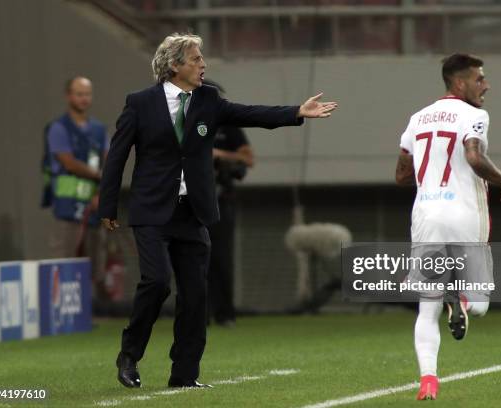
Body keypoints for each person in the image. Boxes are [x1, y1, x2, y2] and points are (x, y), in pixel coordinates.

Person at [98, 33, 337, 389]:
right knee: (158, 281)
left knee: (196, 296)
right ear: (174, 65)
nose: (203, 64)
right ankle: (129, 355)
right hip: (152, 211)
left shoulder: (208, 98)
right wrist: (108, 204)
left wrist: (296, 113)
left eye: (202, 58)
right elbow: (117, 156)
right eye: (196, 59)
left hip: (193, 213)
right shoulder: (139, 103)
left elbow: (249, 113)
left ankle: (184, 375)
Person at [394, 53, 501, 400]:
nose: (486, 85)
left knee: (426, 306)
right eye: (480, 79)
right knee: (479, 304)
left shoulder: (417, 118)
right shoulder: (474, 115)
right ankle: (461, 297)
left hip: (426, 216)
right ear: (460, 82)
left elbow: (402, 174)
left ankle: (428, 382)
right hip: (463, 214)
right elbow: (475, 157)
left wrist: (429, 168)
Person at [45, 76, 108, 280]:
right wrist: (98, 175)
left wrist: (103, 191)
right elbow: (69, 162)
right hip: (67, 205)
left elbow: (109, 160)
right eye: (79, 94)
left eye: (87, 94)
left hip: (94, 205)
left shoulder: (99, 130)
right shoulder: (58, 128)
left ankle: (96, 308)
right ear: (69, 96)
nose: (84, 99)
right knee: (64, 259)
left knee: (96, 261)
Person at [203, 79, 254, 328]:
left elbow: (248, 158)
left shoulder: (229, 127)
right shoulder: (184, 124)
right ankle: (198, 315)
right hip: (189, 201)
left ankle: (225, 313)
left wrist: (218, 155)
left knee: (221, 258)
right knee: (192, 259)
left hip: (221, 198)